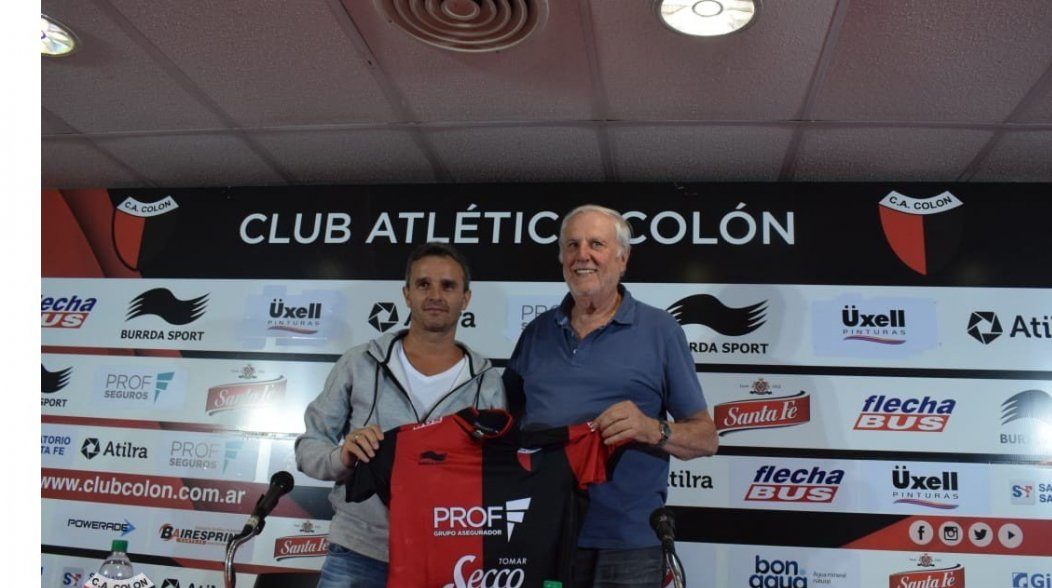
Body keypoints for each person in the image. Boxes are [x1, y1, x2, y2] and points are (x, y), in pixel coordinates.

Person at [503, 204, 718, 588]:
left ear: (622, 258)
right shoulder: (536, 332)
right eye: (572, 245)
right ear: (561, 258)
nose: (582, 255)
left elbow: (706, 438)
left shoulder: (661, 330)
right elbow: (506, 427)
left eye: (596, 244)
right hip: (542, 534)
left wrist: (651, 429)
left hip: (628, 542)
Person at [295, 243, 506, 588]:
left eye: (448, 286)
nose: (435, 295)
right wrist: (343, 456)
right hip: (360, 552)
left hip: (447, 558)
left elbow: (497, 476)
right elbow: (308, 447)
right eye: (423, 284)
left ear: (465, 299)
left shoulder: (487, 381)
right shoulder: (360, 363)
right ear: (407, 294)